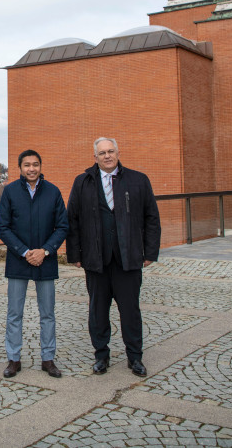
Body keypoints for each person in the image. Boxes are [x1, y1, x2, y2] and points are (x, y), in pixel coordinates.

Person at [67, 137, 160, 377]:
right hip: (95, 260)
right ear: (94, 157)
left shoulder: (138, 180)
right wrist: (75, 254)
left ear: (118, 153)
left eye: (111, 151)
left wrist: (149, 252)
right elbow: (72, 220)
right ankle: (101, 355)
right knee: (98, 311)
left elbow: (151, 217)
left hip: (127, 259)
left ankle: (135, 357)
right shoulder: (83, 182)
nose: (107, 156)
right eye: (102, 153)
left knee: (131, 311)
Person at [0, 149, 69, 378]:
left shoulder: (53, 192)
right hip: (19, 261)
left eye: (35, 164)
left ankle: (48, 359)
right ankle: (14, 359)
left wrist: (45, 251)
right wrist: (25, 251)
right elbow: (2, 228)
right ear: (20, 168)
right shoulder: (9, 192)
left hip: (45, 262)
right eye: (27, 165)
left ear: (40, 166)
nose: (31, 169)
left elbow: (63, 227)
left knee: (47, 313)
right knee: (14, 313)